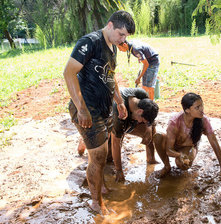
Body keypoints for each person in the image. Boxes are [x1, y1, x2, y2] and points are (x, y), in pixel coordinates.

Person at [63, 10, 135, 214]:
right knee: (99, 156)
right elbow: (68, 72)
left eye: (126, 36)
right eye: (121, 34)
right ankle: (96, 203)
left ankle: (99, 184)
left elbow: (111, 76)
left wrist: (120, 102)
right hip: (88, 108)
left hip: (104, 108)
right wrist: (81, 108)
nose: (123, 39)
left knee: (100, 153)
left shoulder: (112, 47)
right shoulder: (90, 42)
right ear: (110, 25)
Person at [77, 87, 159, 182]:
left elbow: (150, 114)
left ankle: (151, 159)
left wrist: (148, 128)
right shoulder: (118, 113)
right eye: (143, 120)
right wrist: (119, 170)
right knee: (108, 158)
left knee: (151, 129)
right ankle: (84, 139)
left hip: (128, 118)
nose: (142, 123)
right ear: (140, 111)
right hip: (105, 121)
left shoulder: (143, 96)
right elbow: (116, 143)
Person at [153, 92, 221, 178]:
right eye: (197, 107)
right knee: (157, 137)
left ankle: (186, 156)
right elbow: (169, 150)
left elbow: (213, 141)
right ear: (187, 110)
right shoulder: (175, 122)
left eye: (202, 105)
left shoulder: (204, 120)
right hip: (174, 146)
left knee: (183, 164)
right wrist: (179, 155)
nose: (202, 109)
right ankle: (166, 167)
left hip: (188, 146)